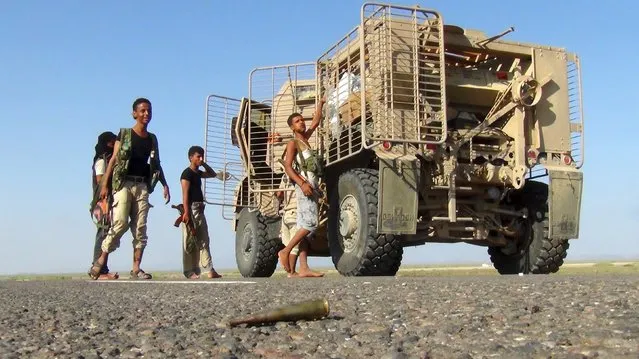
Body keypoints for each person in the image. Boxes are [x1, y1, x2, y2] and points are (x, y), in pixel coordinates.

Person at [88, 97, 171, 280]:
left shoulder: (152, 139)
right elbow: (113, 161)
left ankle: (136, 268)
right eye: (142, 111)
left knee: (140, 228)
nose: (146, 114)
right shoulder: (124, 134)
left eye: (149, 111)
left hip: (142, 185)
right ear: (134, 114)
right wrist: (104, 187)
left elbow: (156, 163)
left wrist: (165, 184)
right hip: (123, 184)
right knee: (120, 223)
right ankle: (100, 261)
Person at [277, 97, 326, 277]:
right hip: (304, 186)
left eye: (302, 120)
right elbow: (288, 167)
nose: (302, 123)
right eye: (297, 121)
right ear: (291, 127)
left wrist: (320, 104)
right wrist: (303, 183)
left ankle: (297, 270)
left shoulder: (305, 139)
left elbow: (316, 121)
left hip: (311, 185)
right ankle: (285, 250)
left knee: (303, 229)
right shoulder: (293, 143)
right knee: (311, 224)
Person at [179, 145, 226, 279]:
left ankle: (209, 269)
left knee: (204, 239)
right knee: (190, 241)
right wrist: (186, 213)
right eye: (198, 156)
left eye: (202, 156)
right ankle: (189, 271)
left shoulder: (197, 173)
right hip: (191, 209)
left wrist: (203, 163)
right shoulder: (186, 174)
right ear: (190, 158)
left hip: (200, 209)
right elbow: (185, 194)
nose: (200, 159)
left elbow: (212, 174)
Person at [88, 131, 119, 280]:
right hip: (102, 202)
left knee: (106, 234)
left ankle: (102, 268)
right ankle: (98, 268)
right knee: (102, 233)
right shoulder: (102, 161)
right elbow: (101, 182)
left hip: (107, 201)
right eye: (112, 143)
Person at [276, 174, 300, 277]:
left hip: (285, 213)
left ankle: (290, 271)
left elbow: (279, 193)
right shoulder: (299, 175)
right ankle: (292, 272)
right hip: (295, 210)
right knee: (295, 245)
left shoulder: (285, 176)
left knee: (288, 243)